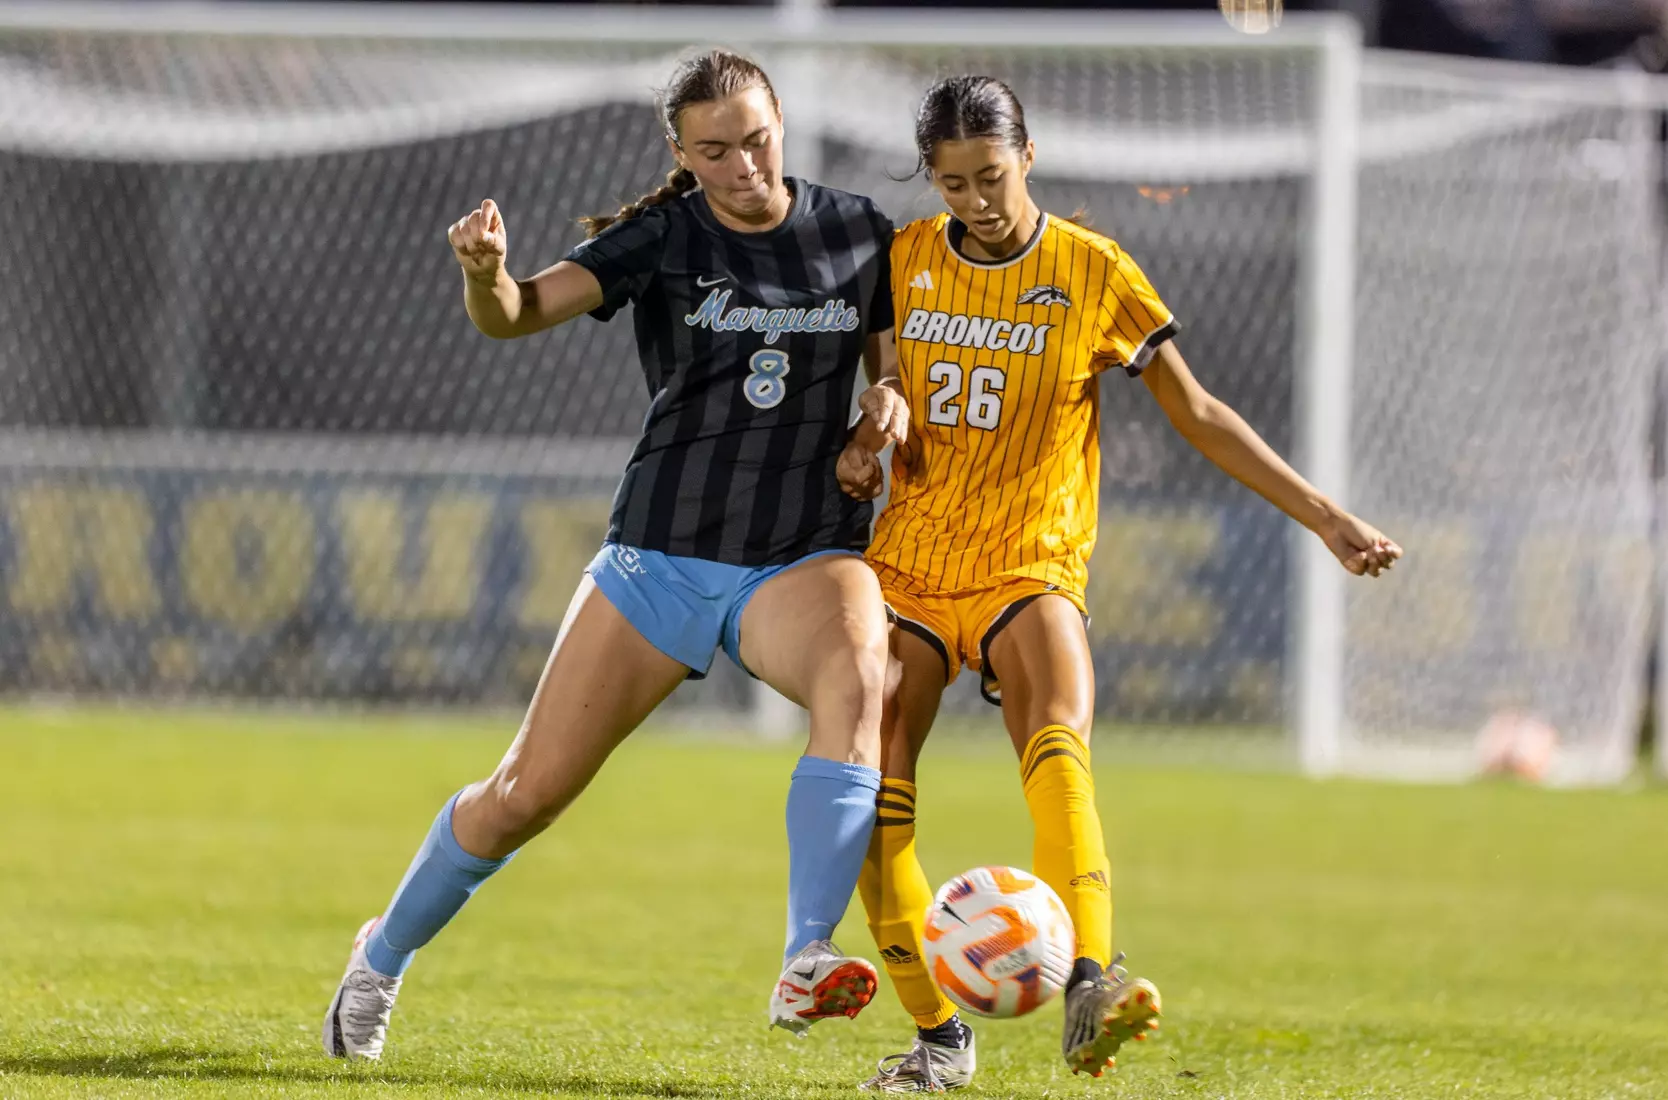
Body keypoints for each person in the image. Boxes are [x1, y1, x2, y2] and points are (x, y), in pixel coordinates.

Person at [321, 49, 912, 1061]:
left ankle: (807, 954)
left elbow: (890, 373)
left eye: (757, 140)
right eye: (715, 152)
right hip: (662, 556)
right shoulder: (665, 236)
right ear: (680, 151)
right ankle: (379, 957)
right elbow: (514, 316)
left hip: (801, 552)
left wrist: (882, 414)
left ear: (781, 120)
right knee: (525, 796)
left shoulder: (858, 229)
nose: (743, 166)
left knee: (863, 674)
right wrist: (484, 275)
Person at [836, 76, 1402, 1092]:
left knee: (1058, 733)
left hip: (1030, 557)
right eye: (954, 183)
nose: (978, 201)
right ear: (931, 179)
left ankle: (1090, 982)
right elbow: (883, 390)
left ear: (1030, 155)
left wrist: (1326, 516)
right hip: (910, 563)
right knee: (865, 785)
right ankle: (938, 1038)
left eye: (993, 176)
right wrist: (864, 441)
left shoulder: (1094, 270)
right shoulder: (902, 259)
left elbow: (1200, 413)